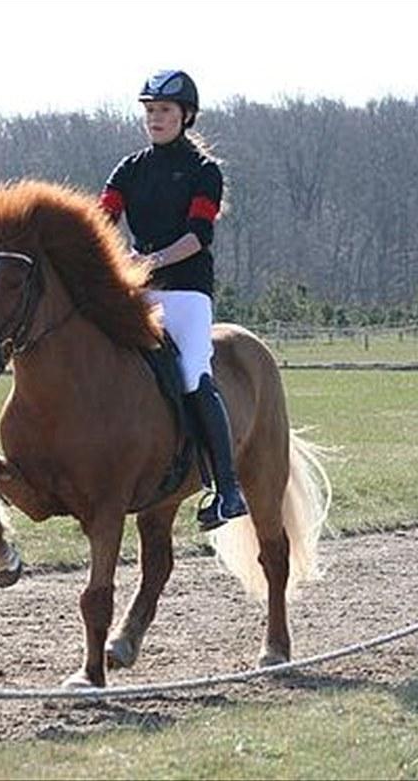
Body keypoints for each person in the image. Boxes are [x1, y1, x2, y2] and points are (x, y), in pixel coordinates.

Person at [98, 69, 248, 532]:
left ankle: (226, 490)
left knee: (191, 373)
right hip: (140, 291)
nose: (155, 118)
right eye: (149, 111)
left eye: (163, 111)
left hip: (185, 291)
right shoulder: (129, 168)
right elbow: (102, 221)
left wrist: (150, 259)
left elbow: (198, 237)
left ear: (186, 116)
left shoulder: (204, 172)